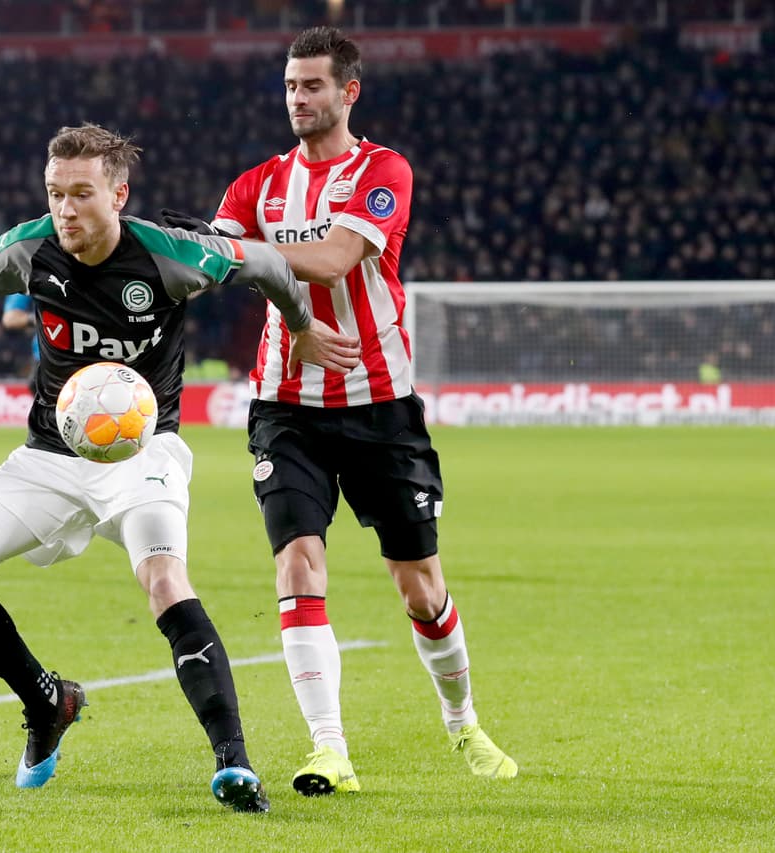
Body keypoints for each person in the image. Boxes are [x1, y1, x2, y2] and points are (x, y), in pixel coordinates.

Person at [0, 123, 359, 812]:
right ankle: (47, 700)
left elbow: (267, 264)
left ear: (118, 195)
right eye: (55, 193)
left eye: (82, 194)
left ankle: (233, 763)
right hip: (48, 456)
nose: (65, 209)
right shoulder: (26, 248)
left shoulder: (171, 255)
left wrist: (299, 326)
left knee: (164, 580)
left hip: (144, 455)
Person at [161, 26, 518, 793]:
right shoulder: (255, 185)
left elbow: (330, 259)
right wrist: (170, 249)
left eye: (313, 85)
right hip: (285, 405)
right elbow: (210, 265)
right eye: (291, 85)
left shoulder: (383, 170)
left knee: (420, 585)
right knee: (298, 562)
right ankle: (330, 749)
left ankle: (463, 722)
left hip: (379, 404)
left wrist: (235, 253)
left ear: (349, 91)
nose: (298, 98)